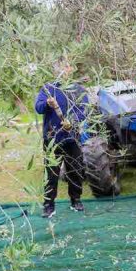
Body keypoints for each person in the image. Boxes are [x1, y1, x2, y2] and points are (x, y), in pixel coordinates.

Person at [35, 59, 89, 219]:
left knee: (75, 170)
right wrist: (47, 103)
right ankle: (49, 205)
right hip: (52, 138)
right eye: (61, 67)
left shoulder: (78, 89)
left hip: (72, 138)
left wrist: (71, 123)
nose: (64, 69)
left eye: (67, 66)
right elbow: (38, 108)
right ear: (56, 70)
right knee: (51, 173)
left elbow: (83, 109)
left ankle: (76, 200)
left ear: (71, 69)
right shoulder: (48, 89)